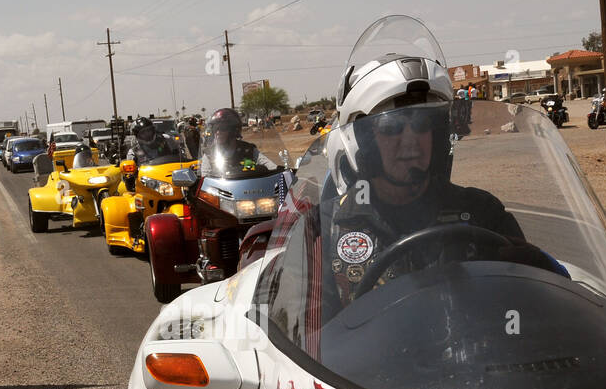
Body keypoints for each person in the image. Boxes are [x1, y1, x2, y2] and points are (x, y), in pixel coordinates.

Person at [323, 48, 562, 305]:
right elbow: (304, 333)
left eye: (422, 125)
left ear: (437, 136)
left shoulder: (483, 213)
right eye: (391, 128)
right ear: (362, 140)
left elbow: (527, 305)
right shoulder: (324, 228)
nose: (410, 142)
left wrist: (533, 270)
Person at [198, 107, 274, 176]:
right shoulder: (209, 154)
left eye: (222, 128)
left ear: (233, 130)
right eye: (215, 129)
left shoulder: (248, 150)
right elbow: (205, 179)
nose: (218, 132)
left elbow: (272, 167)